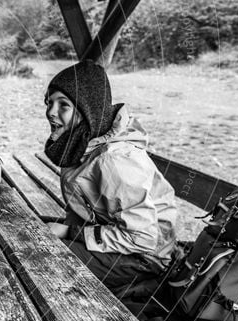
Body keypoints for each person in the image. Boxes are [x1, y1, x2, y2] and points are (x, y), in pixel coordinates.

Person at [42, 60, 177, 302]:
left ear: (88, 111)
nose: (51, 112)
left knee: (45, 263)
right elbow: (83, 208)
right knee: (31, 233)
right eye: (49, 102)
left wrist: (69, 232)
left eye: (64, 105)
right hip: (114, 238)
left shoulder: (114, 161)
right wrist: (66, 229)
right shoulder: (82, 142)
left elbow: (143, 238)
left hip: (143, 256)